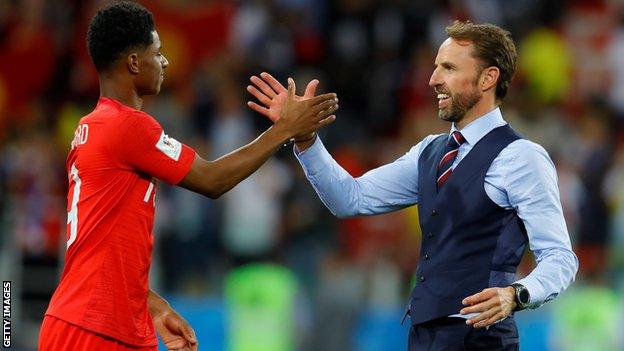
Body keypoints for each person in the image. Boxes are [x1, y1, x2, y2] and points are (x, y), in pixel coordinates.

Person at [247, 21, 578, 350]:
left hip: (482, 340)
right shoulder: (429, 152)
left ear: (488, 78)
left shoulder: (521, 157)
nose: (433, 80)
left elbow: (560, 258)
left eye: (448, 68)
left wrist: (516, 294)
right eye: (435, 68)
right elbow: (350, 198)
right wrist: (304, 137)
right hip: (423, 338)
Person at [38, 2, 338, 351]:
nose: (164, 62)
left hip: (90, 321)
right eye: (157, 53)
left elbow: (98, 253)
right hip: (97, 330)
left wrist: (155, 307)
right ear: (134, 63)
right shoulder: (128, 126)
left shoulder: (89, 127)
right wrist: (285, 129)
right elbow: (212, 180)